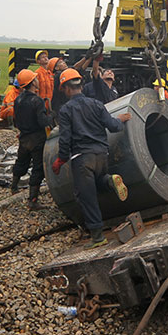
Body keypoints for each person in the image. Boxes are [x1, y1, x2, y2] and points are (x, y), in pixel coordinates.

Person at [51, 69, 132, 247]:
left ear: (65, 88)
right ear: (80, 85)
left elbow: (65, 139)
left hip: (82, 159)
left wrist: (60, 160)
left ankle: (97, 237)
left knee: (86, 196)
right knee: (98, 182)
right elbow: (113, 126)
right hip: (102, 155)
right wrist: (120, 119)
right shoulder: (96, 104)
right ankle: (110, 180)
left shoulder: (66, 110)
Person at [11, 69, 52, 210]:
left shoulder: (18, 99)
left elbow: (15, 120)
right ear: (32, 82)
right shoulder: (37, 101)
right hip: (37, 139)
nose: (38, 80)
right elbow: (42, 122)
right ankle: (32, 200)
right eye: (36, 79)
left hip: (24, 138)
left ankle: (14, 187)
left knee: (21, 162)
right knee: (38, 168)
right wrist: (51, 118)